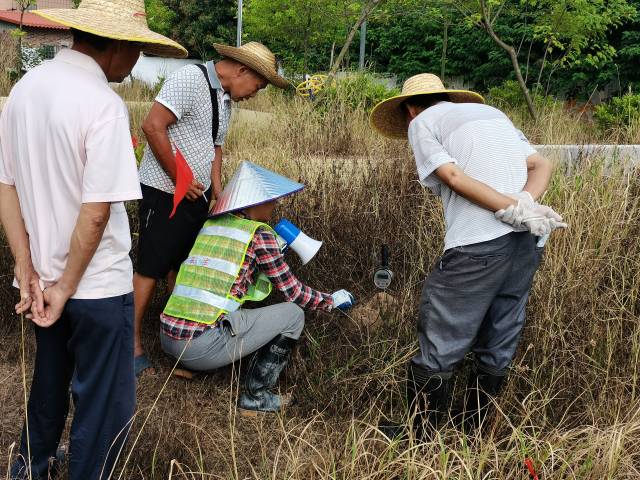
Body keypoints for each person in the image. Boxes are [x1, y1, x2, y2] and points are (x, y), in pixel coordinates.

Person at [0, 1, 186, 478]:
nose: (138, 60)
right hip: (96, 287)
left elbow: (6, 185)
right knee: (103, 408)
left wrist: (26, 264)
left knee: (49, 386)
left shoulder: (25, 90)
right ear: (119, 47)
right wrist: (66, 286)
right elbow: (98, 212)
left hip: (44, 280)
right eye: (138, 49)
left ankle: (28, 468)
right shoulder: (102, 104)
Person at [369, 73, 567, 437]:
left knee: (442, 335)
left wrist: (510, 206)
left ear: (410, 109)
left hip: (477, 245)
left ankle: (422, 437)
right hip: (528, 241)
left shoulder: (422, 122)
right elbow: (543, 165)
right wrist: (524, 207)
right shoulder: (492, 114)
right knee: (500, 334)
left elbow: (453, 177)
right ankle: (472, 432)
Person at [134, 42, 289, 376]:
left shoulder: (225, 98)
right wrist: (179, 177)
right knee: (151, 265)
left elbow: (215, 146)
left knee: (185, 266)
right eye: (257, 87)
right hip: (165, 191)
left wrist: (217, 192)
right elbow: (152, 126)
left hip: (196, 195)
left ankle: (185, 344)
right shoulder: (190, 78)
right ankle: (129, 346)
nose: (254, 94)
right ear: (242, 70)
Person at [159, 161, 355, 416]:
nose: (273, 207)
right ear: (253, 202)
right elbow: (293, 293)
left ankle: (193, 367)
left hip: (169, 339)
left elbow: (227, 284)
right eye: (269, 201)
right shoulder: (259, 235)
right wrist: (331, 301)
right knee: (293, 315)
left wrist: (268, 258)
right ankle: (256, 397)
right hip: (199, 348)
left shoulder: (212, 224)